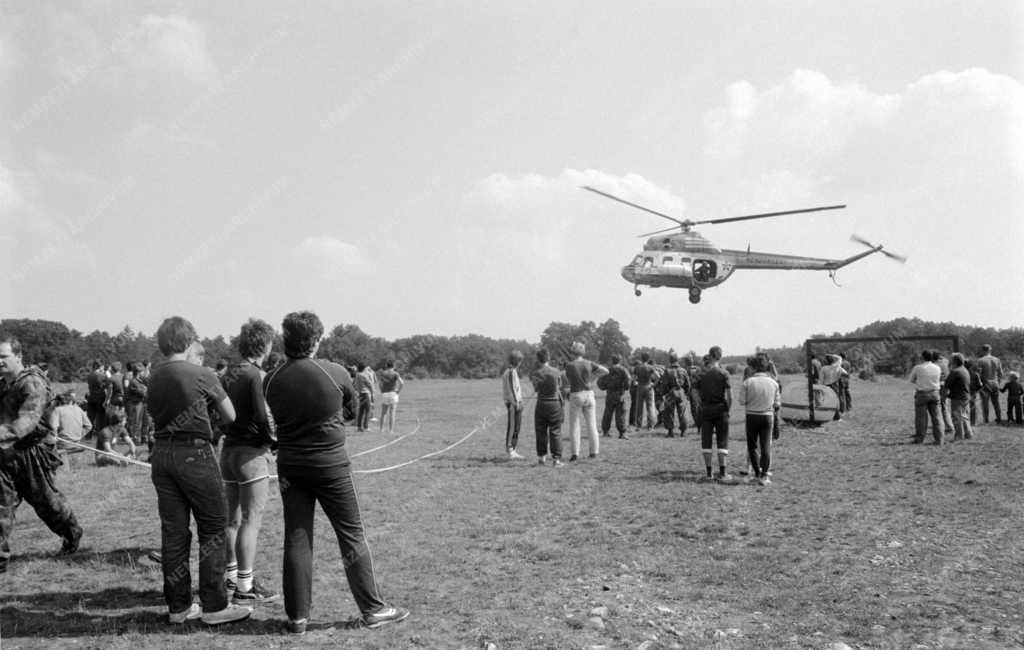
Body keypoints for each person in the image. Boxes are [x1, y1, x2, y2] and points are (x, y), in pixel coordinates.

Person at [263, 311, 408, 634]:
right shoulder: (335, 372)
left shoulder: (271, 378)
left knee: (297, 537)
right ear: (315, 340)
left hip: (291, 466)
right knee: (351, 533)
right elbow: (351, 410)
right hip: (331, 465)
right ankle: (373, 608)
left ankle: (297, 617)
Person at [147, 316, 251, 625]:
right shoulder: (202, 373)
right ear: (188, 340)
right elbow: (230, 415)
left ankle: (179, 607)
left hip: (161, 453)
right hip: (194, 452)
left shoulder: (153, 375)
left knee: (174, 533)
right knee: (213, 527)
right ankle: (215, 606)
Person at [0, 333, 83, 574]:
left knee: (47, 503)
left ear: (19, 356)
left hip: (30, 454)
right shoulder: (4, 383)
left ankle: (71, 533)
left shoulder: (32, 383)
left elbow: (27, 421)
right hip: (4, 455)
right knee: (1, 506)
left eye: (4, 356)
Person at [221, 318, 280, 604]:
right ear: (264, 344)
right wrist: (274, 442)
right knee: (251, 521)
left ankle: (230, 578)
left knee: (230, 521)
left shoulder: (228, 372)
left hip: (228, 452)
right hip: (251, 455)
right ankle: (246, 587)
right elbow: (262, 415)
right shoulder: (255, 374)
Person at [564, 341, 608, 461]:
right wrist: (592, 378)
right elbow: (605, 371)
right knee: (592, 425)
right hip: (589, 394)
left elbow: (566, 380)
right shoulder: (589, 363)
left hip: (576, 394)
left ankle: (575, 454)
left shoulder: (569, 365)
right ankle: (594, 452)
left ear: (573, 352)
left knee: (574, 425)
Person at [739, 356, 780, 486]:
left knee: (752, 446)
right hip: (767, 416)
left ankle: (756, 473)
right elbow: (777, 404)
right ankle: (764, 476)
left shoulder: (748, 382)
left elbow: (741, 401)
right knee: (766, 445)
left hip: (751, 416)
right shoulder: (773, 383)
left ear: (754, 367)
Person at [696, 351, 732, 481]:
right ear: (720, 357)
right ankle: (723, 473)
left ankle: (709, 473)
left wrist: (701, 403)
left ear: (710, 356)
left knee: (706, 441)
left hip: (706, 409)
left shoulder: (701, 373)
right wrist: (727, 408)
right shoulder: (724, 373)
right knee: (722, 440)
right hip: (721, 409)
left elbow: (695, 392)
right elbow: (729, 395)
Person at [530, 348, 564, 467]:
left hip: (541, 404)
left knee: (540, 431)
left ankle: (541, 458)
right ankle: (556, 460)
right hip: (554, 404)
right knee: (555, 431)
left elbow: (536, 389)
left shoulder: (535, 373)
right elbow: (559, 386)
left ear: (538, 359)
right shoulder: (556, 371)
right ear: (548, 358)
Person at [908, 350, 944, 444]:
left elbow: (911, 380)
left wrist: (920, 382)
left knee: (921, 418)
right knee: (937, 417)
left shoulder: (918, 367)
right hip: (935, 393)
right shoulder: (937, 368)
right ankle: (939, 439)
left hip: (922, 393)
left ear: (922, 357)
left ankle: (920, 439)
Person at [600, 354, 632, 439]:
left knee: (607, 413)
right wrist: (625, 388)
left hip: (610, 394)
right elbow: (628, 380)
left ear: (612, 360)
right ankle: (622, 433)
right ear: (620, 360)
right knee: (620, 414)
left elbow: (600, 381)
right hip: (619, 394)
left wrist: (605, 387)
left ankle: (605, 432)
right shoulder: (623, 370)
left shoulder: (607, 370)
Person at [658, 353, 690, 438]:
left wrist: (663, 394)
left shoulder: (667, 371)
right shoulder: (683, 370)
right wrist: (686, 393)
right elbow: (688, 384)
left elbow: (664, 384)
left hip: (670, 393)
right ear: (677, 359)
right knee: (682, 413)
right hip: (681, 392)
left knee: (669, 412)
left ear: (670, 360)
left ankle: (670, 431)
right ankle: (683, 431)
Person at [944, 353, 974, 441]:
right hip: (966, 396)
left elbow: (947, 384)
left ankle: (959, 436)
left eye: (951, 359)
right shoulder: (964, 370)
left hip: (957, 398)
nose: (949, 361)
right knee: (964, 416)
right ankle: (968, 434)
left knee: (957, 417)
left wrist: (943, 395)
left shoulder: (955, 371)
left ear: (954, 361)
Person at [501, 351, 525, 459]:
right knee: (512, 426)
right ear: (516, 361)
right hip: (512, 404)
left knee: (517, 427)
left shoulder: (514, 371)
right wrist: (516, 402)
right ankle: (510, 448)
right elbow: (511, 388)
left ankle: (513, 449)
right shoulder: (510, 372)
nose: (520, 363)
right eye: (520, 361)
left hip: (516, 402)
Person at [976, 344, 1004, 424]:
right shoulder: (997, 360)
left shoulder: (980, 360)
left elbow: (978, 374)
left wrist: (979, 384)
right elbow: (1001, 373)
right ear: (990, 350)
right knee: (996, 402)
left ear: (983, 350)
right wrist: (998, 382)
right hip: (995, 383)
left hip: (985, 384)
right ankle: (999, 419)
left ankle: (986, 420)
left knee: (985, 403)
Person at [377, 360, 404, 434]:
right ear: (393, 366)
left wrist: (381, 390)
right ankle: (391, 430)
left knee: (383, 413)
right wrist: (398, 391)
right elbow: (402, 383)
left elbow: (380, 383)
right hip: (393, 393)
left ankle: (381, 429)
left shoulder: (383, 373)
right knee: (392, 413)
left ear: (386, 365)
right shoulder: (395, 373)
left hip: (385, 393)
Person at [124, 362, 148, 444]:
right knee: (135, 422)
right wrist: (146, 389)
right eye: (142, 372)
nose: (143, 373)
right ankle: (134, 439)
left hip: (139, 403)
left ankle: (136, 438)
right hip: (135, 404)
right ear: (138, 372)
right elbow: (143, 392)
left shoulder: (139, 381)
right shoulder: (134, 382)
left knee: (138, 422)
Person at [633, 352, 657, 431]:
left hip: (640, 387)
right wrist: (653, 384)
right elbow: (658, 377)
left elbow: (633, 379)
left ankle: (638, 426)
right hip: (649, 387)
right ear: (648, 358)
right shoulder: (651, 367)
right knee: (650, 407)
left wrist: (635, 383)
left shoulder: (637, 367)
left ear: (641, 358)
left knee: (639, 407)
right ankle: (650, 427)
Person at [819, 355, 847, 420]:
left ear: (826, 361)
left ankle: (829, 416)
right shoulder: (837, 367)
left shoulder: (824, 368)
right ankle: (837, 417)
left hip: (826, 386)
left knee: (827, 401)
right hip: (835, 385)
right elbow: (845, 373)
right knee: (836, 401)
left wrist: (821, 388)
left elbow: (821, 380)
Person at [85, 359, 109, 435]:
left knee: (90, 417)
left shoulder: (89, 375)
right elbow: (107, 386)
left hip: (91, 397)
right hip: (100, 397)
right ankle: (100, 433)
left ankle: (88, 434)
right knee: (100, 417)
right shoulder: (102, 375)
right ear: (100, 366)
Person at [933, 351, 954, 431]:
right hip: (946, 386)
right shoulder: (946, 361)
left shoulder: (935, 365)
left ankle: (948, 426)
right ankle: (946, 424)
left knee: (941, 407)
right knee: (944, 406)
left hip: (939, 386)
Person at [353, 362, 375, 432]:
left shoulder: (357, 375)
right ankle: (366, 426)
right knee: (367, 410)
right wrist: (372, 392)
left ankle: (359, 427)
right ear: (364, 368)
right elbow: (369, 384)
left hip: (360, 394)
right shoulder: (363, 375)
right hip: (365, 394)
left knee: (361, 411)